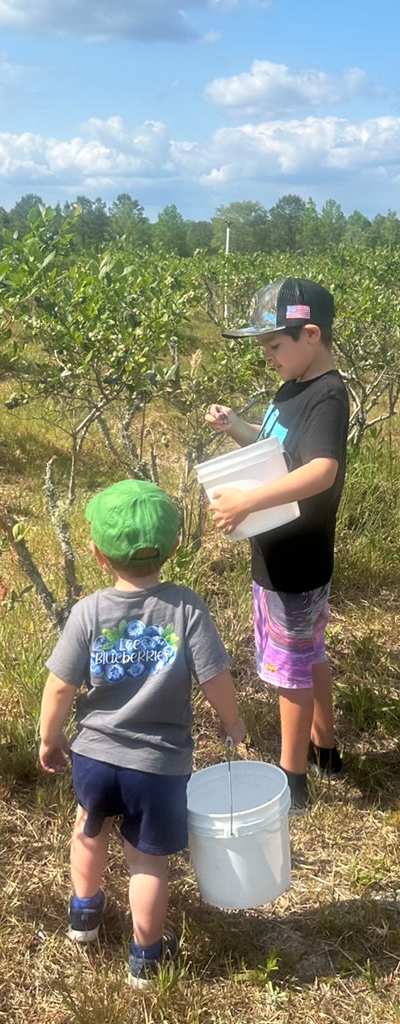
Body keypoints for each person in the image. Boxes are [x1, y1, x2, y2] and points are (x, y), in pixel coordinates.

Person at [39, 478, 246, 989]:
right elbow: (215, 677)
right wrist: (232, 720)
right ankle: (145, 958)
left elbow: (61, 686)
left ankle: (83, 915)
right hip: (160, 765)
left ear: (96, 554)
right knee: (147, 862)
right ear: (175, 546)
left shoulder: (88, 612)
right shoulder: (186, 607)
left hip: (94, 755)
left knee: (89, 826)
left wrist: (49, 737)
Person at [205, 277, 349, 813]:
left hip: (296, 556)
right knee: (309, 654)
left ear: (310, 334)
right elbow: (277, 452)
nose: (268, 357)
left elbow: (320, 470)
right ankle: (325, 747)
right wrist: (237, 427)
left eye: (273, 346)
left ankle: (293, 779)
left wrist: (248, 502)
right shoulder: (292, 388)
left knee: (290, 668)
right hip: (278, 549)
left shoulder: (327, 394)